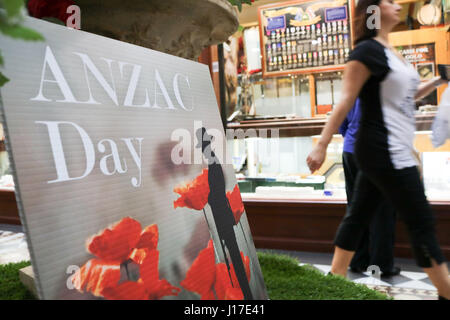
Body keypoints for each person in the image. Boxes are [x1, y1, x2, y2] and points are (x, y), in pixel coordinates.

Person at [306, 0, 450, 300]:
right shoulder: (365, 51)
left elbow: (408, 95)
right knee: (420, 221)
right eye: (389, 1)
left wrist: (440, 79)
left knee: (358, 215)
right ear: (372, 11)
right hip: (382, 150)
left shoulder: (391, 52)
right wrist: (321, 145)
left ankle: (332, 283)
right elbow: (344, 101)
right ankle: (446, 291)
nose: (397, 5)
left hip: (391, 148)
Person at [339, 99, 400, 276]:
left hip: (350, 151)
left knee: (355, 207)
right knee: (383, 209)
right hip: (377, 152)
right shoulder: (386, 87)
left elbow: (341, 124)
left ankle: (358, 260)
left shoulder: (352, 88)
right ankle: (381, 266)